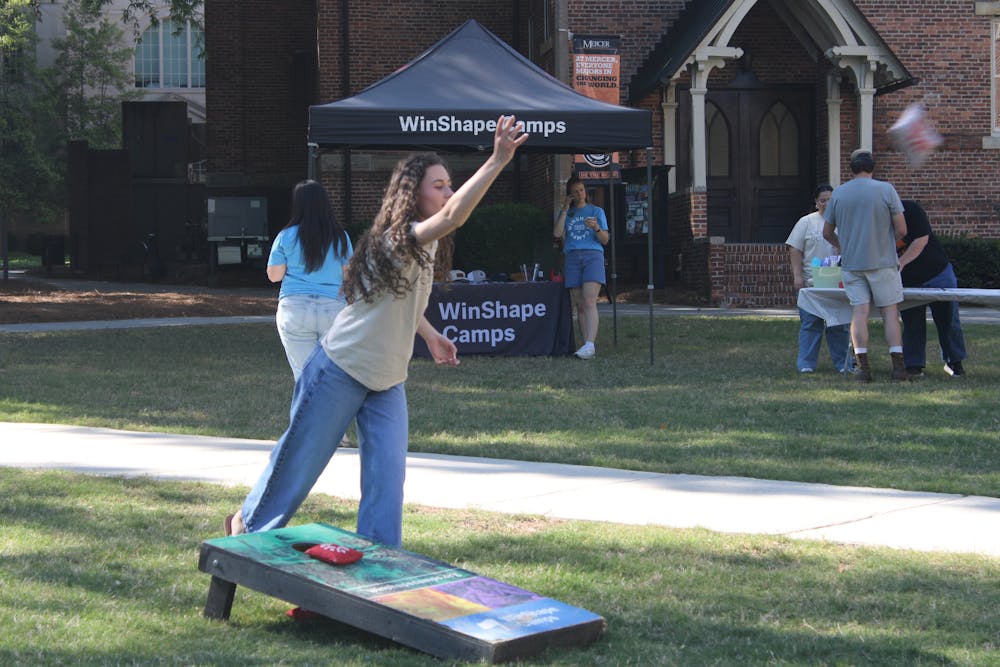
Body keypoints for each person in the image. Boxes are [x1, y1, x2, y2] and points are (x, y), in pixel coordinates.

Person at [225, 115, 529, 547]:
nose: (446, 191)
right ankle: (246, 525)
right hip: (340, 369)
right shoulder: (397, 238)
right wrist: (498, 160)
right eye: (438, 185)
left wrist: (429, 334)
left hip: (388, 378)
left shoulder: (426, 243)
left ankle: (381, 558)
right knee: (301, 462)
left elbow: (398, 299)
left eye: (448, 184)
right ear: (414, 192)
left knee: (388, 478)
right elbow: (452, 216)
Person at [822, 148, 908, 383]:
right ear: (873, 167)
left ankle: (863, 368)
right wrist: (886, 242)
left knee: (859, 312)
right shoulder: (886, 190)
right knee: (891, 313)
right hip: (883, 262)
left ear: (851, 168)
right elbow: (902, 229)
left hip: (852, 263)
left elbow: (827, 232)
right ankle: (898, 368)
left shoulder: (839, 194)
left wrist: (843, 245)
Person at [267, 180, 353, 381]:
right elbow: (350, 276)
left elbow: (274, 276)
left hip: (294, 309)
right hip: (333, 308)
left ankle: (305, 413)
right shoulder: (340, 236)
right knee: (332, 377)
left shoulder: (285, 236)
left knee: (304, 377)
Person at [785, 185, 853, 374]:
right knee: (810, 324)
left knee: (839, 326)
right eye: (822, 200)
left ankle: (843, 364)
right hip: (812, 283)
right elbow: (794, 249)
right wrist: (797, 277)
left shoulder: (844, 222)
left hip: (838, 284)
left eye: (831, 200)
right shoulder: (806, 222)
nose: (826, 204)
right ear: (816, 203)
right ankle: (806, 364)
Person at [897, 199, 967, 377]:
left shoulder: (910, 209)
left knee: (948, 319)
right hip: (908, 279)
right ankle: (913, 365)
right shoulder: (875, 220)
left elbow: (921, 240)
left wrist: (899, 264)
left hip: (938, 273)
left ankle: (954, 362)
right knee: (912, 322)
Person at [553, 175, 609, 359]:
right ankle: (586, 345)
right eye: (575, 192)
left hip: (593, 256)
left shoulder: (596, 211)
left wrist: (596, 228)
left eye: (582, 190)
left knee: (589, 300)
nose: (580, 194)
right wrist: (564, 209)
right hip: (572, 257)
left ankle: (590, 344)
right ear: (570, 195)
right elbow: (557, 233)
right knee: (579, 303)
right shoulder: (568, 214)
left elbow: (605, 240)